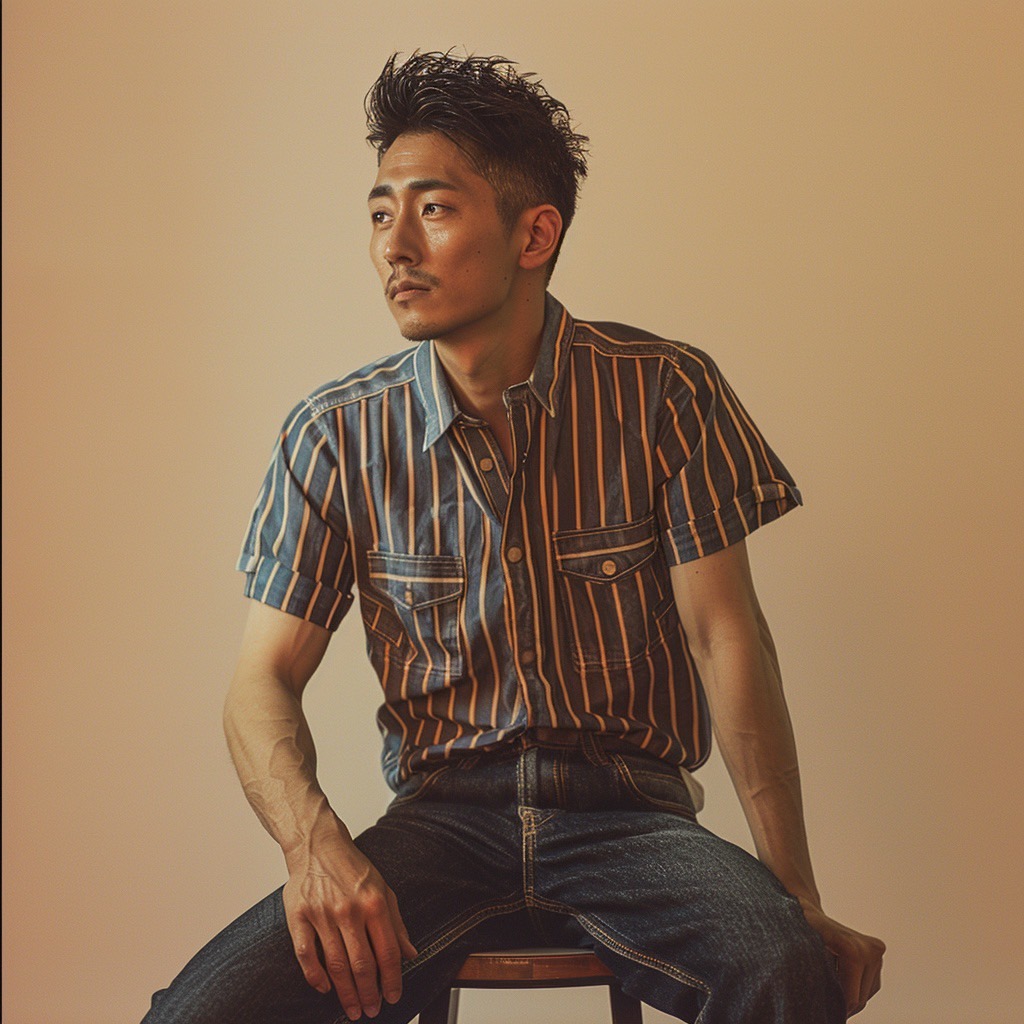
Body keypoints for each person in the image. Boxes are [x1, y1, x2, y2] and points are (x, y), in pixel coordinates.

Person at [143, 51, 884, 1024]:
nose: (395, 246)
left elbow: (726, 639)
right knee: (196, 1014)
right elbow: (259, 682)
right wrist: (314, 848)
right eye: (379, 213)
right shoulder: (334, 434)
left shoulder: (666, 391)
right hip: (441, 825)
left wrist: (796, 895)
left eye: (433, 209)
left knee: (783, 966)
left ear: (535, 233)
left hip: (630, 820)